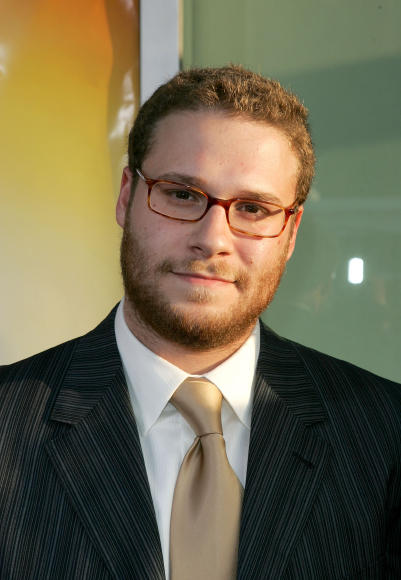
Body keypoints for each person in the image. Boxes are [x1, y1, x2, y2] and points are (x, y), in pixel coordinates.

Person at [0, 65, 399, 580]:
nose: (212, 239)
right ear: (126, 196)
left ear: (291, 232)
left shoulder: (384, 436)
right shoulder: (8, 427)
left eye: (253, 208)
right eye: (182, 194)